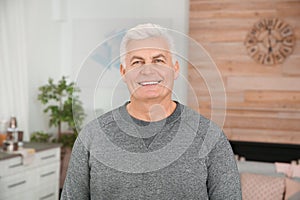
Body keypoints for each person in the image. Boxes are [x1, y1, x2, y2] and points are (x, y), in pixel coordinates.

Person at [61, 23, 242, 200]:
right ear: (124, 72)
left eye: (158, 60)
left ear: (175, 68)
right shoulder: (92, 136)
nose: (148, 70)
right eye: (137, 62)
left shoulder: (210, 137)